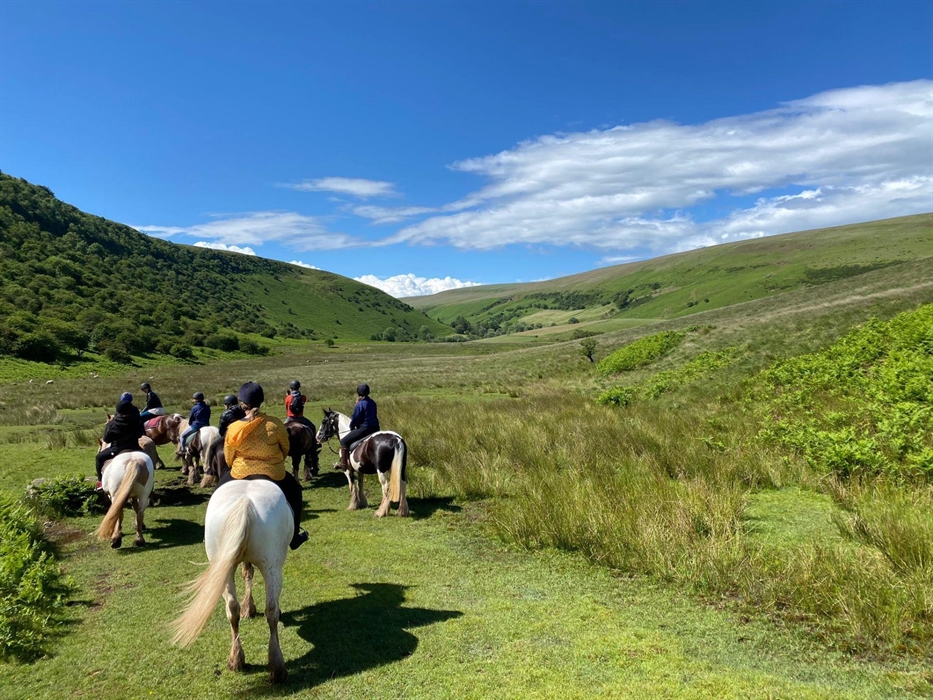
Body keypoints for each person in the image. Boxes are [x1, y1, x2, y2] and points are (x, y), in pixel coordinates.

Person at [221, 382, 309, 550]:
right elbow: (285, 449)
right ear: (261, 402)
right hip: (272, 472)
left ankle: (209, 533)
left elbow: (228, 456)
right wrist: (273, 461)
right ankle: (295, 536)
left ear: (242, 404)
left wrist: (237, 465)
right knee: (296, 492)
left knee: (217, 492)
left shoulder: (233, 428)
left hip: (240, 472)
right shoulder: (275, 425)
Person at [95, 399, 144, 490]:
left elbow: (107, 439)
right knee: (148, 460)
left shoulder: (112, 424)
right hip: (135, 447)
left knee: (99, 458)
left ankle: (100, 482)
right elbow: (140, 435)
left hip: (117, 450)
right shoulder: (136, 422)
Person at [336, 383, 380, 470]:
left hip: (365, 429)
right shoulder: (372, 402)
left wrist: (352, 427)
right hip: (375, 428)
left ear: (358, 393)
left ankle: (344, 464)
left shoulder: (360, 404)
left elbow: (355, 419)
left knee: (344, 441)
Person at [179, 391, 211, 456]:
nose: (193, 400)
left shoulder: (194, 408)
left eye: (194, 399)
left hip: (196, 426)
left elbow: (191, 418)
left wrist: (191, 424)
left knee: (182, 435)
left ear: (197, 399)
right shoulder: (207, 407)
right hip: (206, 425)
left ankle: (183, 450)